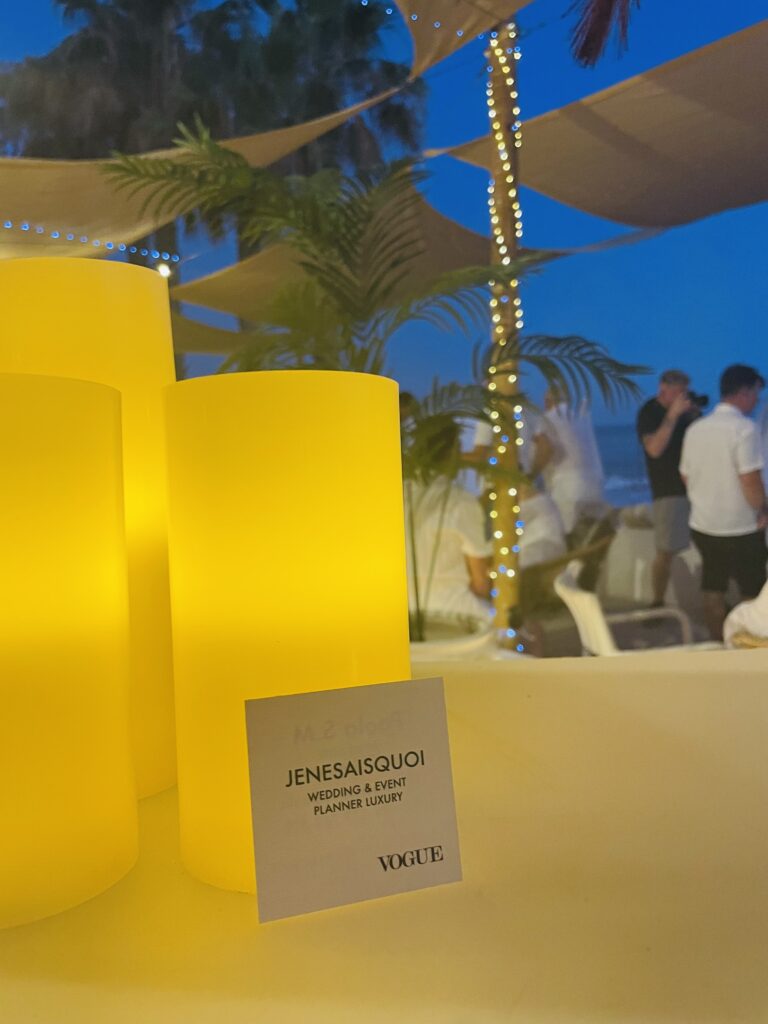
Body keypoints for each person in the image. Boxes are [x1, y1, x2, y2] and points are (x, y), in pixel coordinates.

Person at [680, 364, 768, 640]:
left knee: (713, 587)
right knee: (752, 593)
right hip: (741, 529)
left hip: (704, 525)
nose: (757, 400)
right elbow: (750, 480)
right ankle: (749, 645)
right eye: (756, 393)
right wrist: (764, 509)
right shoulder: (745, 429)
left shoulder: (696, 429)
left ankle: (718, 642)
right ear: (744, 392)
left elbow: (685, 475)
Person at [404, 420, 492, 623]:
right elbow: (481, 584)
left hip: (401, 612)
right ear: (452, 452)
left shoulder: (398, 494)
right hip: (454, 611)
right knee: (529, 633)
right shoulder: (460, 501)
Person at [636, 369, 699, 608]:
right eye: (680, 392)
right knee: (665, 553)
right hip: (668, 490)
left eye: (685, 392)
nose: (684, 397)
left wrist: (694, 417)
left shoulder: (684, 414)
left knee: (710, 545)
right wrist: (672, 416)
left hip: (694, 488)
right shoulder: (649, 412)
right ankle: (657, 601)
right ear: (664, 388)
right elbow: (654, 449)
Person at [529, 388, 605, 536]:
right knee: (591, 535)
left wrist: (530, 475)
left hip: (568, 489)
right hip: (596, 486)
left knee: (565, 536)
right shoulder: (579, 417)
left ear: (548, 402)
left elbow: (545, 449)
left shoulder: (548, 418)